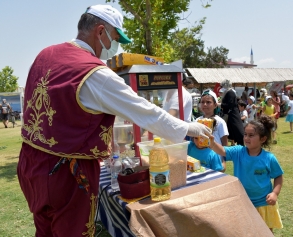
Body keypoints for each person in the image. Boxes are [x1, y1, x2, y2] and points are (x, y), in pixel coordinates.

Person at [17, 5, 210, 236]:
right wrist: (189, 127)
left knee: (44, 230)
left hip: (31, 163)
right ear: (100, 31)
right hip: (68, 172)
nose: (115, 47)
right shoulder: (95, 73)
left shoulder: (44, 55)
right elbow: (146, 112)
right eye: (116, 38)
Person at [208, 115, 284, 233]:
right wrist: (212, 144)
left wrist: (275, 193)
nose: (246, 138)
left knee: (265, 232)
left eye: (251, 135)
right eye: (245, 134)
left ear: (263, 139)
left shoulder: (269, 158)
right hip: (243, 202)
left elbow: (278, 176)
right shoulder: (238, 151)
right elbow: (222, 150)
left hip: (264, 204)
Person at [197, 90, 229, 171]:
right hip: (201, 159)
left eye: (208, 102)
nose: (205, 104)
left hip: (216, 161)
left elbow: (225, 143)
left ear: (215, 105)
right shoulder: (197, 121)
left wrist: (224, 162)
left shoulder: (220, 122)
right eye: (202, 102)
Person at [220, 79, 244, 146]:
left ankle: (241, 146)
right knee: (233, 131)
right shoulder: (228, 92)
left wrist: (220, 105)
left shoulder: (230, 92)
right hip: (231, 115)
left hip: (233, 115)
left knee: (238, 131)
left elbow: (230, 104)